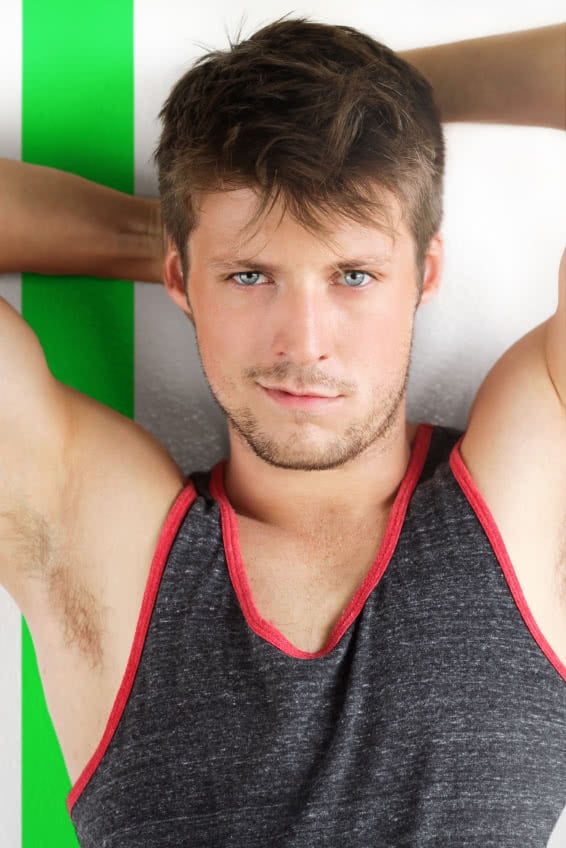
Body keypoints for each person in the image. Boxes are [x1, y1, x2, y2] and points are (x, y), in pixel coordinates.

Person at [0, 16, 564, 848]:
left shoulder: (531, 491)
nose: (303, 343)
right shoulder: (98, 537)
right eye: (252, 276)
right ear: (179, 278)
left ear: (426, 274)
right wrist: (163, 239)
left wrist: (390, 106)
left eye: (355, 274)